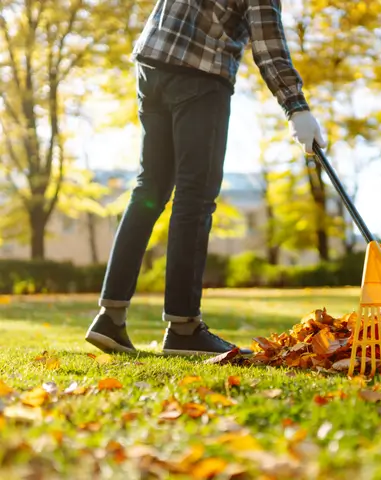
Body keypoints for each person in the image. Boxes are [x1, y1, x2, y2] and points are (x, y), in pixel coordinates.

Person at [85, 0, 326, 356]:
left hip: (153, 63)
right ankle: (183, 328)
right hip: (200, 72)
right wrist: (296, 106)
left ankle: (110, 317)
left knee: (148, 188)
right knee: (194, 198)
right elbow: (267, 42)